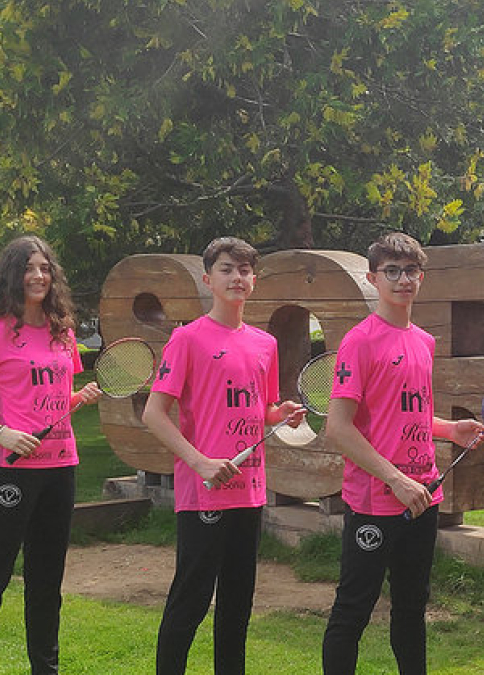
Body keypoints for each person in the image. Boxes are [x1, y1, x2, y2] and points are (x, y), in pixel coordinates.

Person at [321, 231, 484, 675]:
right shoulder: (360, 341)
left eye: (410, 270)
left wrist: (451, 429)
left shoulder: (424, 342)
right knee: (353, 609)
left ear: (422, 278)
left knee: (412, 609)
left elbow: (408, 416)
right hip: (377, 500)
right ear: (374, 279)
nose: (402, 279)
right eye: (391, 271)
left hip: (422, 497)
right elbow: (338, 427)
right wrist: (394, 477)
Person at [142, 236, 305, 675]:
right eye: (228, 269)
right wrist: (198, 462)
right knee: (190, 603)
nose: (238, 278)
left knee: (237, 606)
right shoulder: (187, 339)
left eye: (246, 270)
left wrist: (279, 413)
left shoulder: (264, 344)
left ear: (254, 280)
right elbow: (154, 414)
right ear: (208, 278)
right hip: (204, 493)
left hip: (249, 492)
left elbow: (262, 407)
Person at [0, 235, 102, 674]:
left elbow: (50, 400)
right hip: (7, 473)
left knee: (45, 583)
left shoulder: (64, 333)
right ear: (11, 277)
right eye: (29, 268)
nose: (38, 276)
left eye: (45, 268)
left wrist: (78, 397)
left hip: (60, 469)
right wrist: (3, 433)